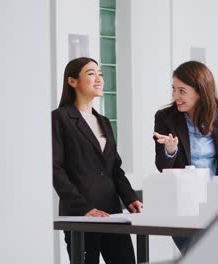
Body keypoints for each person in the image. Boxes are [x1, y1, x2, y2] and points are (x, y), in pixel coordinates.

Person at [52, 57, 143, 264]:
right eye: (91, 73)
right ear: (72, 81)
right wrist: (83, 208)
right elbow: (55, 169)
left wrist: (129, 198)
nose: (99, 78)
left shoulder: (103, 121)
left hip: (111, 212)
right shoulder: (59, 118)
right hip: (80, 215)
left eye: (100, 74)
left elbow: (114, 168)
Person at [153, 60, 218, 253]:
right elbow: (162, 166)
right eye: (174, 89)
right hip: (183, 205)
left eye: (182, 91)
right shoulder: (165, 118)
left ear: (200, 91)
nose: (175, 96)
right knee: (195, 254)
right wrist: (171, 150)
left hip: (216, 204)